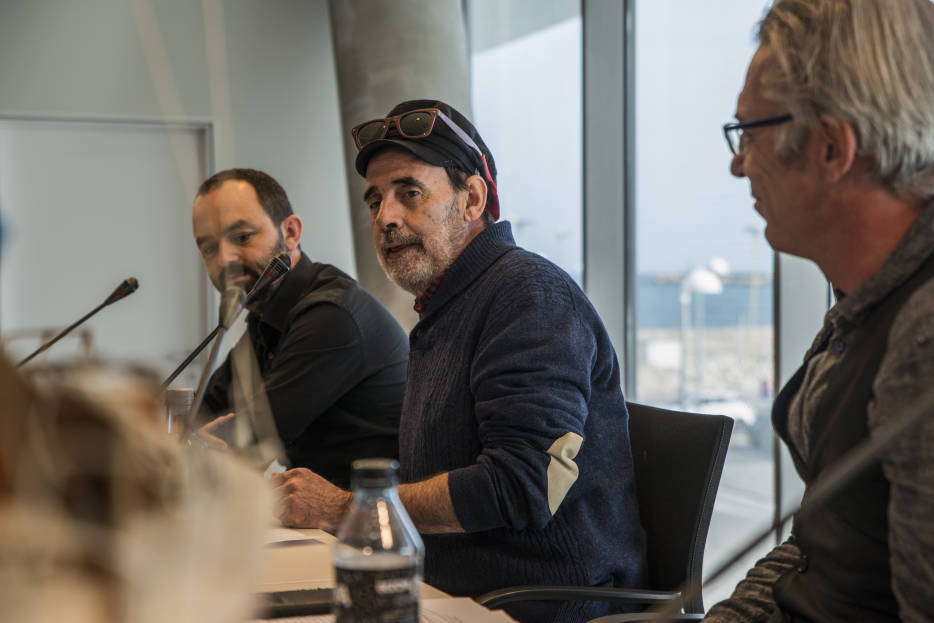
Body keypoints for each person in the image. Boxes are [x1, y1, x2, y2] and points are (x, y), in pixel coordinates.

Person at [274, 100, 646, 623]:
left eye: (410, 193)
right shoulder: (449, 305)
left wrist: (346, 509)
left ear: (472, 199)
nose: (386, 217)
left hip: (539, 603)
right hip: (452, 591)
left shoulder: (527, 294)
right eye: (375, 201)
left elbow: (524, 484)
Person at [706, 1, 934, 621]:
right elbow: (820, 548)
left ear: (832, 147)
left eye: (749, 133)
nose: (736, 163)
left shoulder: (922, 335)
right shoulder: (865, 296)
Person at [192, 168, 409, 488]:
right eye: (209, 248)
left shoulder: (332, 315)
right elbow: (203, 414)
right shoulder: (266, 314)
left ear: (291, 233)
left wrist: (199, 443)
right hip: (316, 520)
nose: (224, 259)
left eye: (241, 237)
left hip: (371, 520)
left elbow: (251, 445)